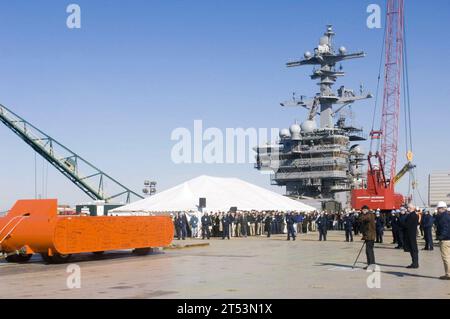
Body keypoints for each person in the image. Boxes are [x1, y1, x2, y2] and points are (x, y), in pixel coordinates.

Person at [436, 201, 450, 280]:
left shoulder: (443, 217)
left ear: (441, 208)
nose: (437, 210)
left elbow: (445, 228)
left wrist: (441, 237)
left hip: (445, 240)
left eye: (438, 208)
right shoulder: (447, 216)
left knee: (446, 257)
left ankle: (448, 274)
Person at [405, 204, 419, 268]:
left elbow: (407, 225)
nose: (407, 209)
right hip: (411, 234)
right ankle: (414, 262)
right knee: (412, 249)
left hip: (411, 234)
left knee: (413, 249)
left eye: (408, 207)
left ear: (411, 208)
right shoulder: (412, 215)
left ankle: (415, 263)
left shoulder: (412, 215)